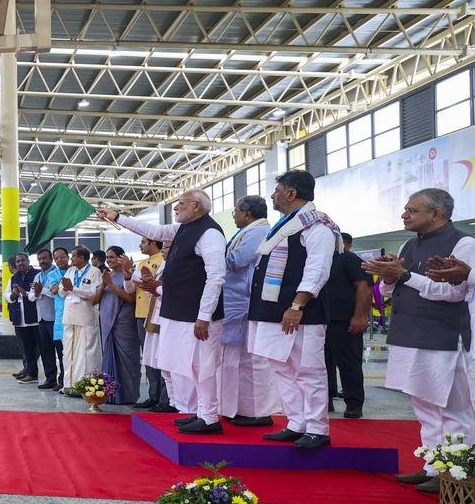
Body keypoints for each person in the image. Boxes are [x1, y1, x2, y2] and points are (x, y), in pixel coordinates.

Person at [363, 189, 473, 493]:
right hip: (408, 335)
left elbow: (453, 293)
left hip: (443, 336)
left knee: (451, 409)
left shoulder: (463, 244)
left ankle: (456, 473)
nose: (404, 215)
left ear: (437, 213)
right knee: (423, 406)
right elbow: (390, 292)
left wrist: (404, 275)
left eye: (412, 210)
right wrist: (389, 277)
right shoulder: (409, 244)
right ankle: (432, 466)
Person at [98, 190, 226, 435]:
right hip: (179, 312)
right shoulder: (183, 229)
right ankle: (199, 412)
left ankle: (210, 417)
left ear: (196, 207)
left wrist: (204, 316)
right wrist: (117, 217)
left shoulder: (210, 233)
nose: (176, 207)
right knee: (189, 367)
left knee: (204, 366)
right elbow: (153, 231)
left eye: (181, 203)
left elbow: (216, 277)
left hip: (198, 316)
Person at [248, 170, 340, 451]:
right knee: (281, 367)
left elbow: (317, 270)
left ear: (291, 194)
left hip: (302, 313)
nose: (272, 195)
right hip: (274, 311)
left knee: (308, 370)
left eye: (277, 190)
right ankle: (296, 422)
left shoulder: (317, 226)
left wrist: (297, 305)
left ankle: (317, 428)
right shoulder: (285, 226)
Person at [220, 195, 280, 427]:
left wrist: (211, 255)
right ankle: (240, 408)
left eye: (235, 211)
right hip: (236, 303)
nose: (234, 216)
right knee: (236, 362)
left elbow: (236, 260)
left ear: (247, 213)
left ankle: (259, 411)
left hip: (243, 303)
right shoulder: (248, 231)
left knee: (252, 362)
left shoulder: (258, 231)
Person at [324, 232, 374, 418]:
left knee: (348, 363)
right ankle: (325, 399)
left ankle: (354, 403)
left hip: (344, 320)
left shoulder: (349, 259)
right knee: (321, 364)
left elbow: (365, 287)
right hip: (320, 320)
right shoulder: (318, 258)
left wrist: (360, 316)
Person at [130, 238, 170, 410]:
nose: (164, 250)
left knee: (164, 359)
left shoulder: (167, 263)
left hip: (166, 316)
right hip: (150, 314)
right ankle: (154, 396)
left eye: (167, 247)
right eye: (164, 247)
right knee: (151, 357)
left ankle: (167, 400)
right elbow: (142, 290)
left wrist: (151, 284)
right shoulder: (159, 264)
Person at [97, 246, 140, 404]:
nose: (109, 260)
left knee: (127, 360)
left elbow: (130, 299)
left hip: (124, 323)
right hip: (107, 323)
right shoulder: (107, 276)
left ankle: (128, 396)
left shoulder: (129, 274)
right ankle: (110, 395)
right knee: (109, 357)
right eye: (107, 257)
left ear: (121, 258)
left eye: (112, 257)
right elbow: (94, 300)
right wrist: (104, 284)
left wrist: (110, 284)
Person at [59, 246, 103, 391]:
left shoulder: (95, 272)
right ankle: (69, 385)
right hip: (69, 316)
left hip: (86, 317)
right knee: (68, 352)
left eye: (73, 256)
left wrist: (73, 288)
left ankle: (86, 387)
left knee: (86, 354)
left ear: (82, 258)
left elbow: (93, 294)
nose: (71, 259)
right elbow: (60, 292)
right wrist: (65, 288)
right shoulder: (70, 271)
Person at [28, 249, 62, 390]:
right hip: (41, 319)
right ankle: (50, 379)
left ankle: (63, 380)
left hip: (55, 318)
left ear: (51, 259)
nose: (42, 261)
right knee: (46, 350)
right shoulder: (38, 276)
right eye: (40, 259)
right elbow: (31, 297)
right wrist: (37, 292)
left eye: (45, 258)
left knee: (60, 351)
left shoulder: (57, 274)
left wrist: (41, 290)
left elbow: (58, 293)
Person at [8, 253, 42, 383]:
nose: (20, 263)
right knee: (26, 347)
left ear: (28, 261)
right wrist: (13, 294)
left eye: (23, 260)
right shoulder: (14, 277)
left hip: (35, 318)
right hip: (20, 319)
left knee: (40, 348)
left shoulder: (37, 274)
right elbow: (7, 295)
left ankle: (46, 376)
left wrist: (26, 293)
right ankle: (30, 372)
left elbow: (37, 294)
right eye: (18, 261)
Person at [50, 247, 70, 390]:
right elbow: (53, 289)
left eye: (62, 257)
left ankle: (72, 380)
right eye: (56, 258)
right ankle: (62, 380)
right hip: (59, 318)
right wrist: (65, 283)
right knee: (61, 352)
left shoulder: (75, 271)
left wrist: (61, 284)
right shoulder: (53, 274)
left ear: (68, 257)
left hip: (75, 316)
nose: (59, 260)